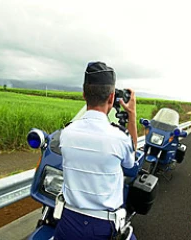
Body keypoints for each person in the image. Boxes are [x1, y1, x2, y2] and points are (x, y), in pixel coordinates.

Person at [54, 61, 138, 240]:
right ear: (111, 97)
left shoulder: (67, 133)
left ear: (84, 94)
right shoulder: (120, 138)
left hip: (67, 222)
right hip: (102, 227)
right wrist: (132, 114)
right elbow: (132, 165)